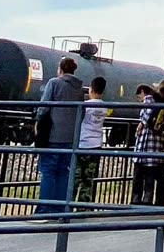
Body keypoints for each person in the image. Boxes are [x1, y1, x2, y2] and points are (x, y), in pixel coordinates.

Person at [33, 57, 83, 215]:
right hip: (70, 138)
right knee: (64, 172)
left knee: (48, 171)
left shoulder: (54, 83)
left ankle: (44, 209)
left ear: (60, 69)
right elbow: (81, 113)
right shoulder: (79, 88)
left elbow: (44, 107)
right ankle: (60, 208)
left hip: (52, 135)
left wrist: (38, 122)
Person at [130, 84, 164, 206]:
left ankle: (135, 201)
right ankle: (147, 201)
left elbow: (147, 112)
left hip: (144, 144)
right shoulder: (161, 102)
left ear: (142, 92)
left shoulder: (148, 99)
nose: (140, 101)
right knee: (150, 179)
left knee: (138, 177)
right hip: (155, 146)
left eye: (139, 97)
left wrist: (141, 123)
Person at [73, 77, 110, 208]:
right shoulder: (104, 107)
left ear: (91, 89)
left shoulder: (86, 106)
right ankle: (84, 206)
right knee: (88, 179)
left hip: (83, 144)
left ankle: (69, 204)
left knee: (75, 178)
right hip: (96, 144)